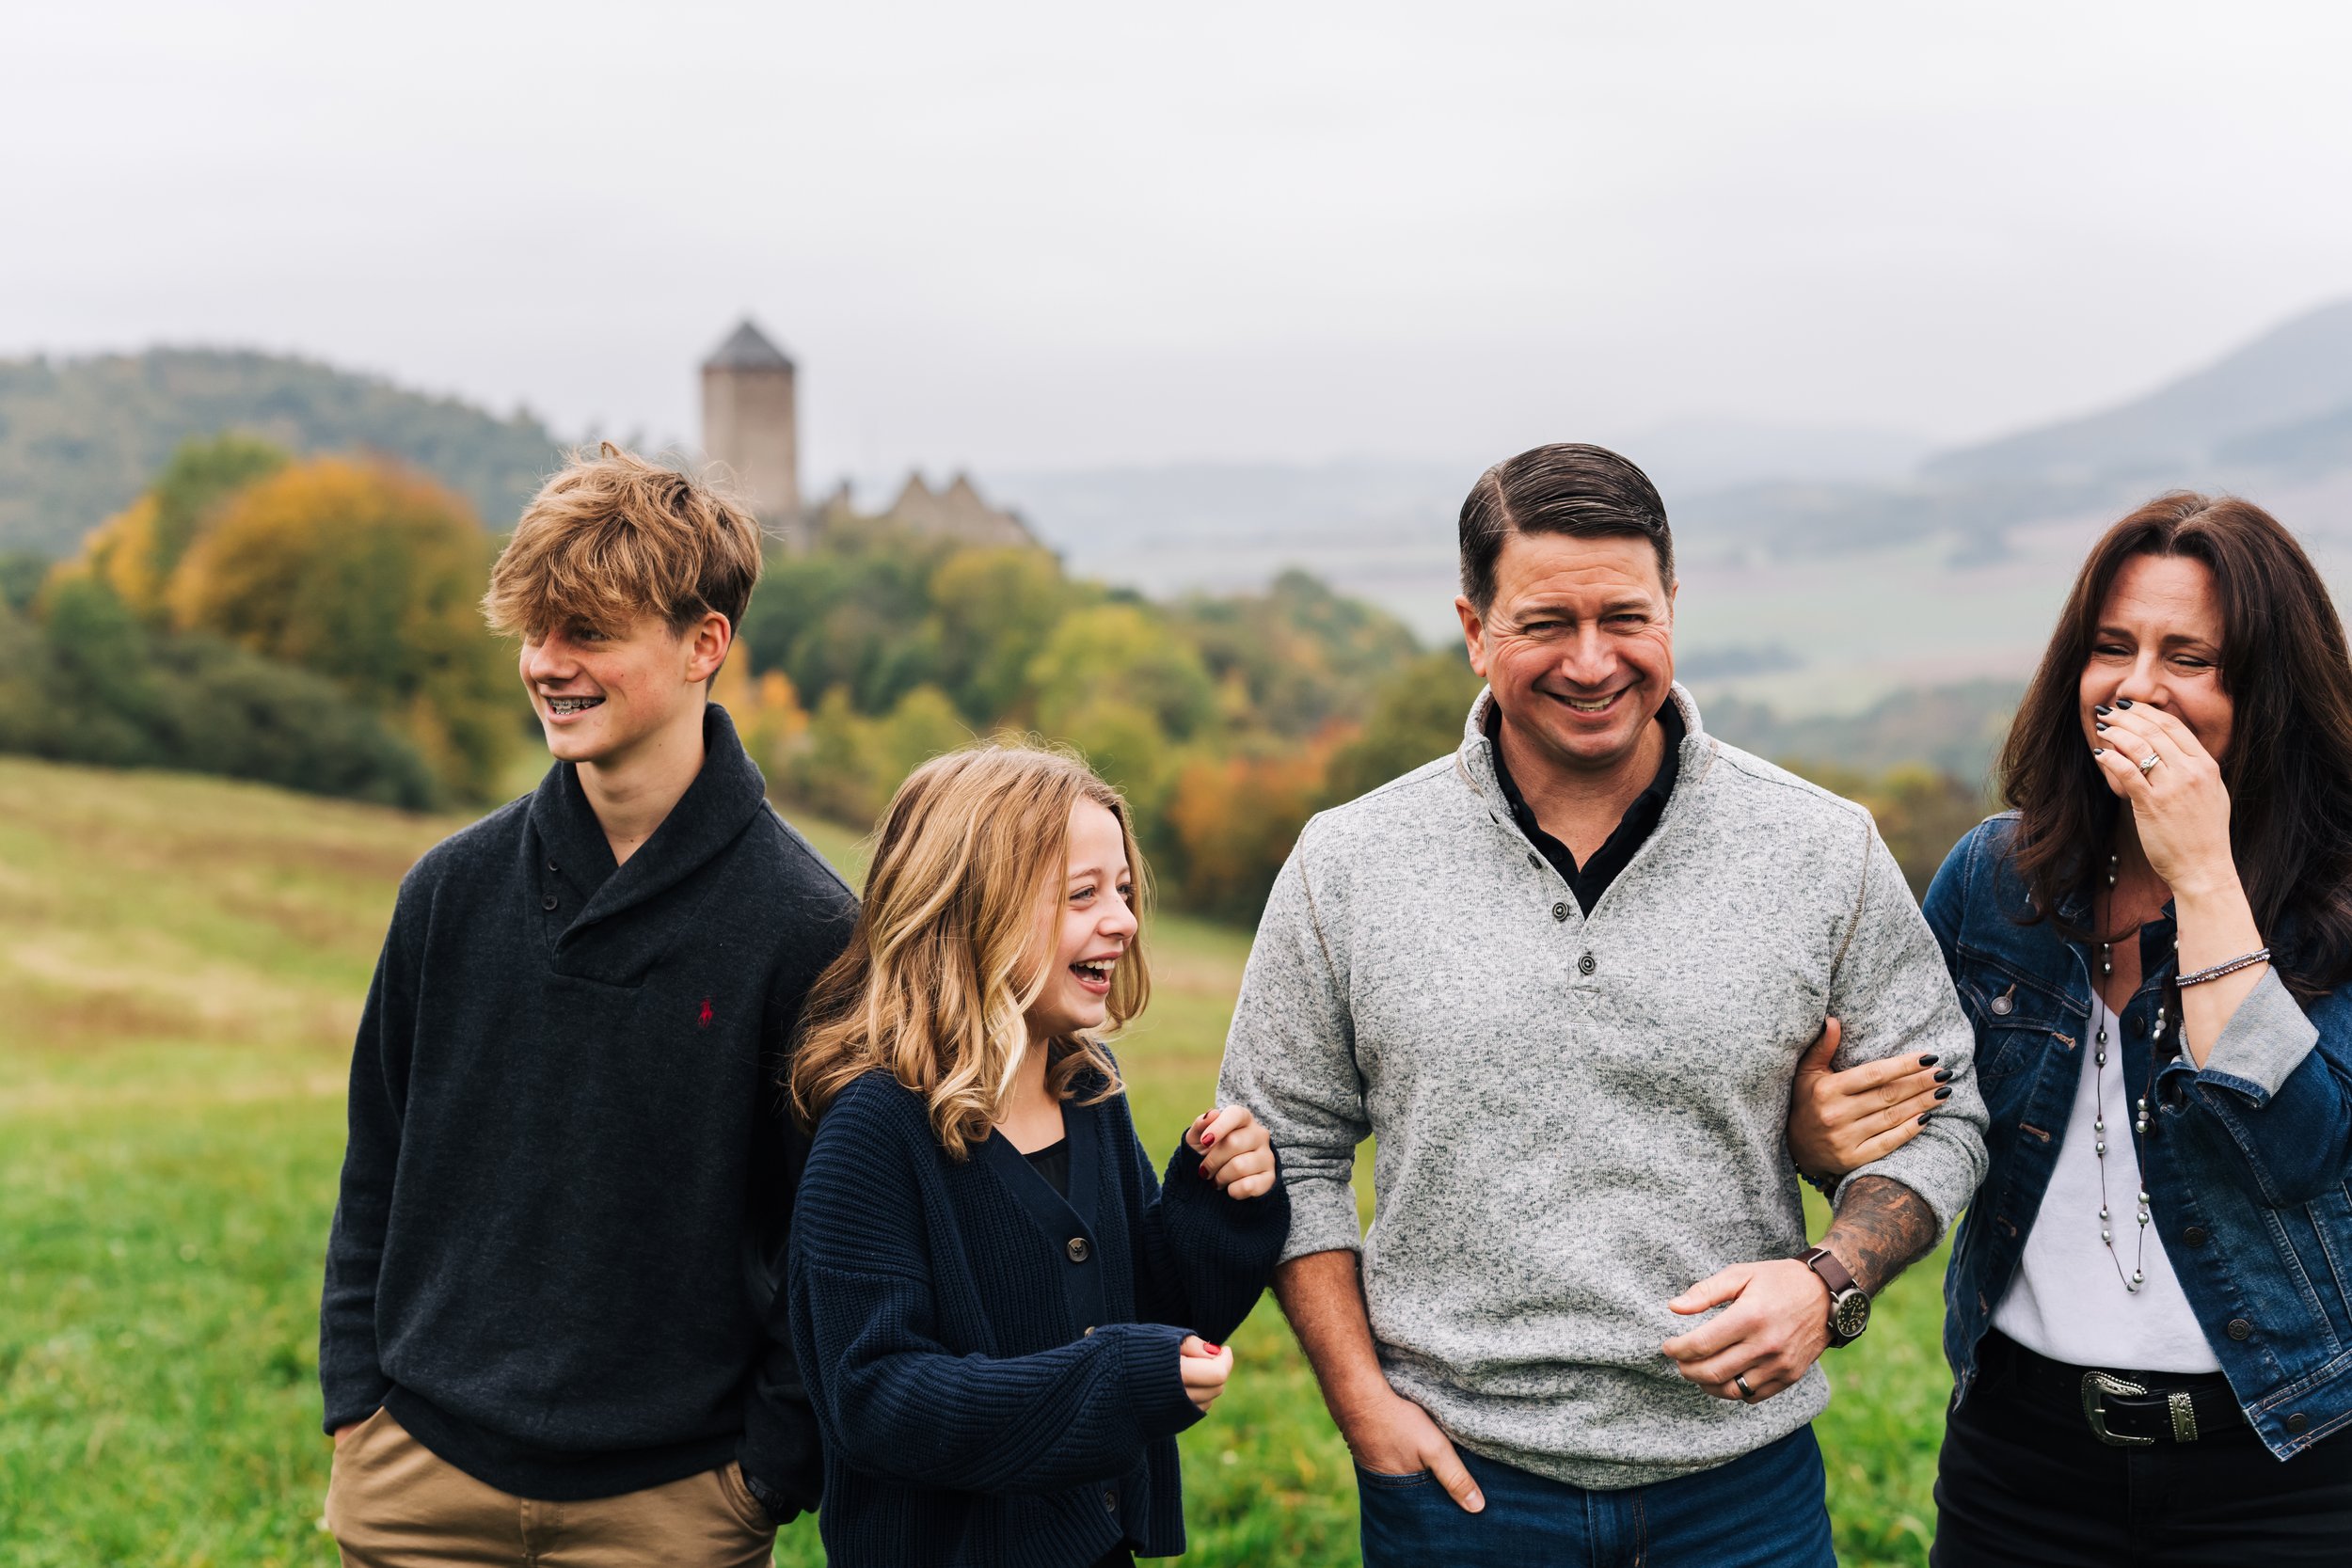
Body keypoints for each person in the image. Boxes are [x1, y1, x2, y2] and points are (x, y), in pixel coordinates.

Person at [1216, 442, 1990, 1566]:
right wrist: (1360, 1407)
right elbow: (1285, 1148)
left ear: (1672, 605)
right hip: (1461, 1488)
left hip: (1744, 1492)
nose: (1591, 661)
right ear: (1474, 627)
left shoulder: (1821, 849)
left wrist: (1832, 1281)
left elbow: (1952, 1110)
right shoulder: (1349, 862)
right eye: (1544, 622)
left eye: (1624, 615)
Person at [1788, 493, 2352, 1565]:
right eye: (2112, 647)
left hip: (2292, 1465)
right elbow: (1920, 1119)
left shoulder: (2335, 896)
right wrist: (1825, 1137)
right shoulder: (1995, 880)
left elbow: (2293, 1148)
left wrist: (2201, 873)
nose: (2138, 685)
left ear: (2267, 691)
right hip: (2023, 1460)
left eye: (2189, 656)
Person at [318, 446, 857, 1564]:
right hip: (417, 1475)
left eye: (589, 633)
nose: (548, 665)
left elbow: (831, 1227)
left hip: (669, 1503)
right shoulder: (448, 891)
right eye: (534, 632)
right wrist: (355, 1401)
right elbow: (377, 1155)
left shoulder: (807, 926)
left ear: (705, 642)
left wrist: (766, 1467)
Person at [787, 744, 1290, 1568]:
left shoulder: (1089, 1087)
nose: (1124, 919)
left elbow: (1143, 1304)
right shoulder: (875, 1128)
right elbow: (876, 1396)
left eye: (1123, 891)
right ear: (967, 911)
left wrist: (1217, 1203)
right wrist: (1109, 1383)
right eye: (1082, 894)